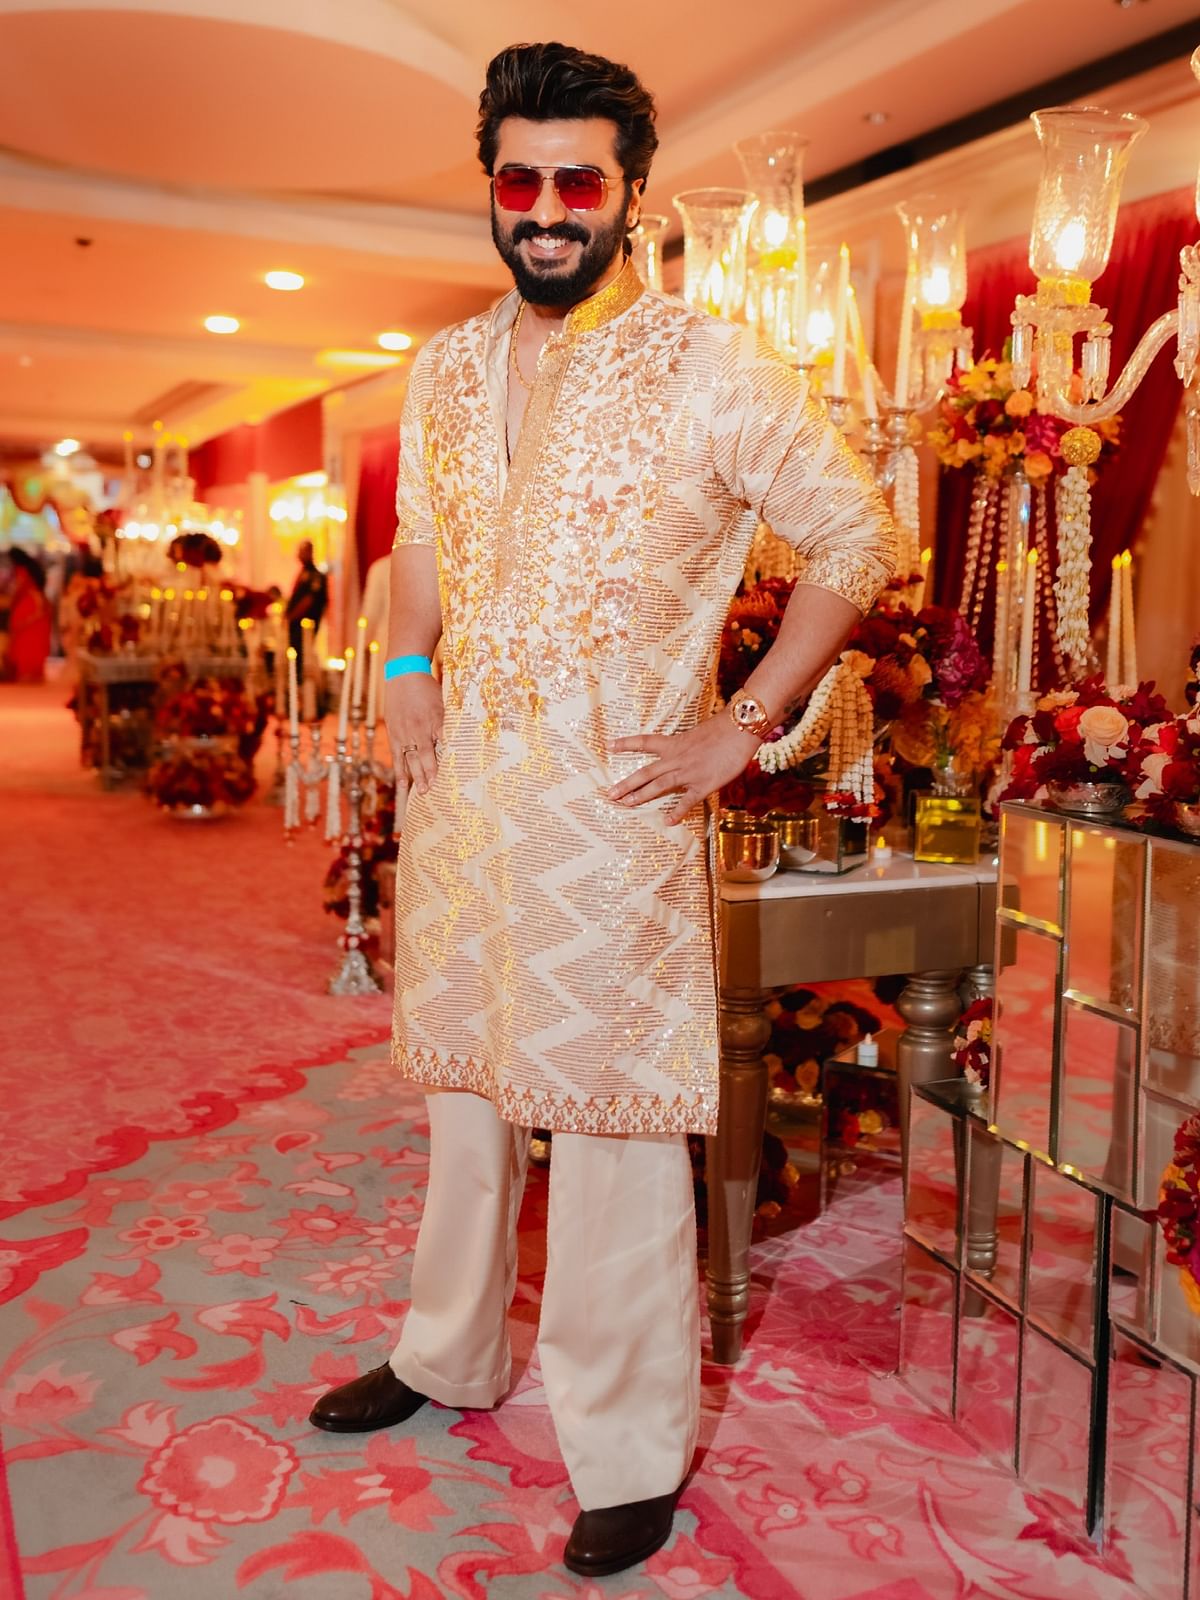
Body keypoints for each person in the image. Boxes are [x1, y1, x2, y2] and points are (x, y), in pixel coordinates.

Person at [310, 41, 894, 1577]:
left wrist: (746, 727)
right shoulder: (438, 368)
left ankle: (627, 1450)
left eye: (581, 180)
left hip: (616, 816)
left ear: (635, 194)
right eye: (522, 178)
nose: (549, 207)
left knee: (622, 1129)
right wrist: (412, 662)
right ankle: (449, 1353)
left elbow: (859, 533)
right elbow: (422, 544)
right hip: (463, 804)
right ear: (490, 191)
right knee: (465, 1095)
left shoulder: (711, 365)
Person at [6, 547, 52, 683]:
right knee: (35, 640)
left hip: (28, 606)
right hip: (39, 605)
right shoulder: (33, 567)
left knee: (25, 640)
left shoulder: (21, 570)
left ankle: (26, 673)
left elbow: (19, 588)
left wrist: (11, 601)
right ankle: (34, 673)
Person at [285, 539, 327, 671]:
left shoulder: (315, 576)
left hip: (304, 625)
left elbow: (309, 600)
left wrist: (291, 616)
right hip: (294, 625)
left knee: (302, 654)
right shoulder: (303, 573)